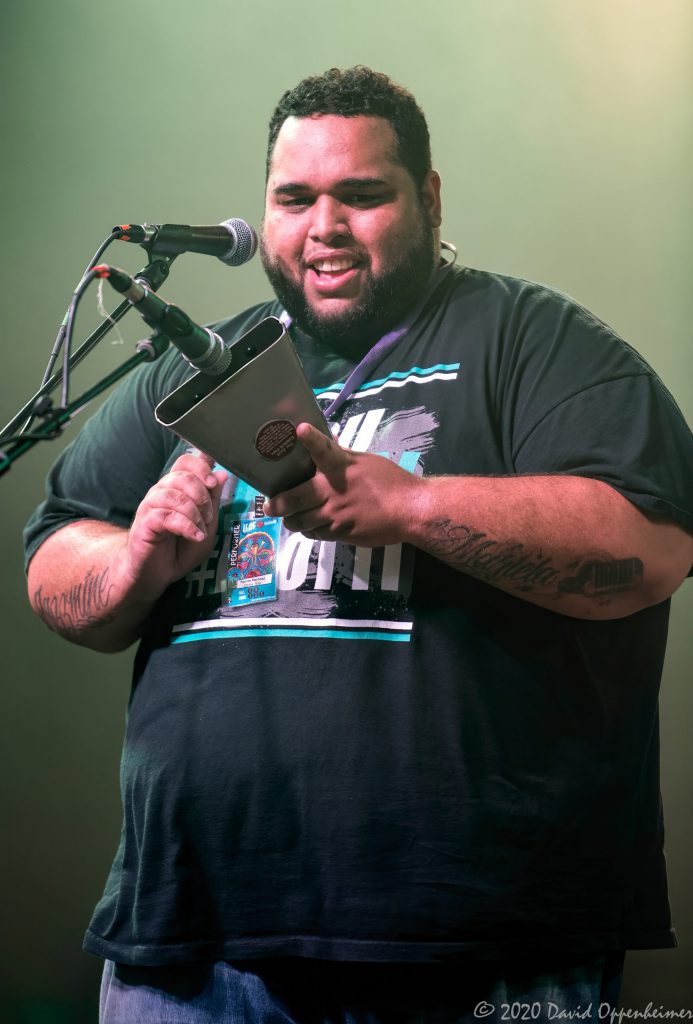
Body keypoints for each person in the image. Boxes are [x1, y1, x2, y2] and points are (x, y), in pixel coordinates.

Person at [24, 66, 693, 1023]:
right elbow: (54, 553)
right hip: (189, 945)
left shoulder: (533, 338)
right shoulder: (197, 358)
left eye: (361, 196)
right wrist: (132, 562)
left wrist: (412, 507)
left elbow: (652, 549)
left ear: (425, 198)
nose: (323, 227)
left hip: (482, 951)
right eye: (294, 199)